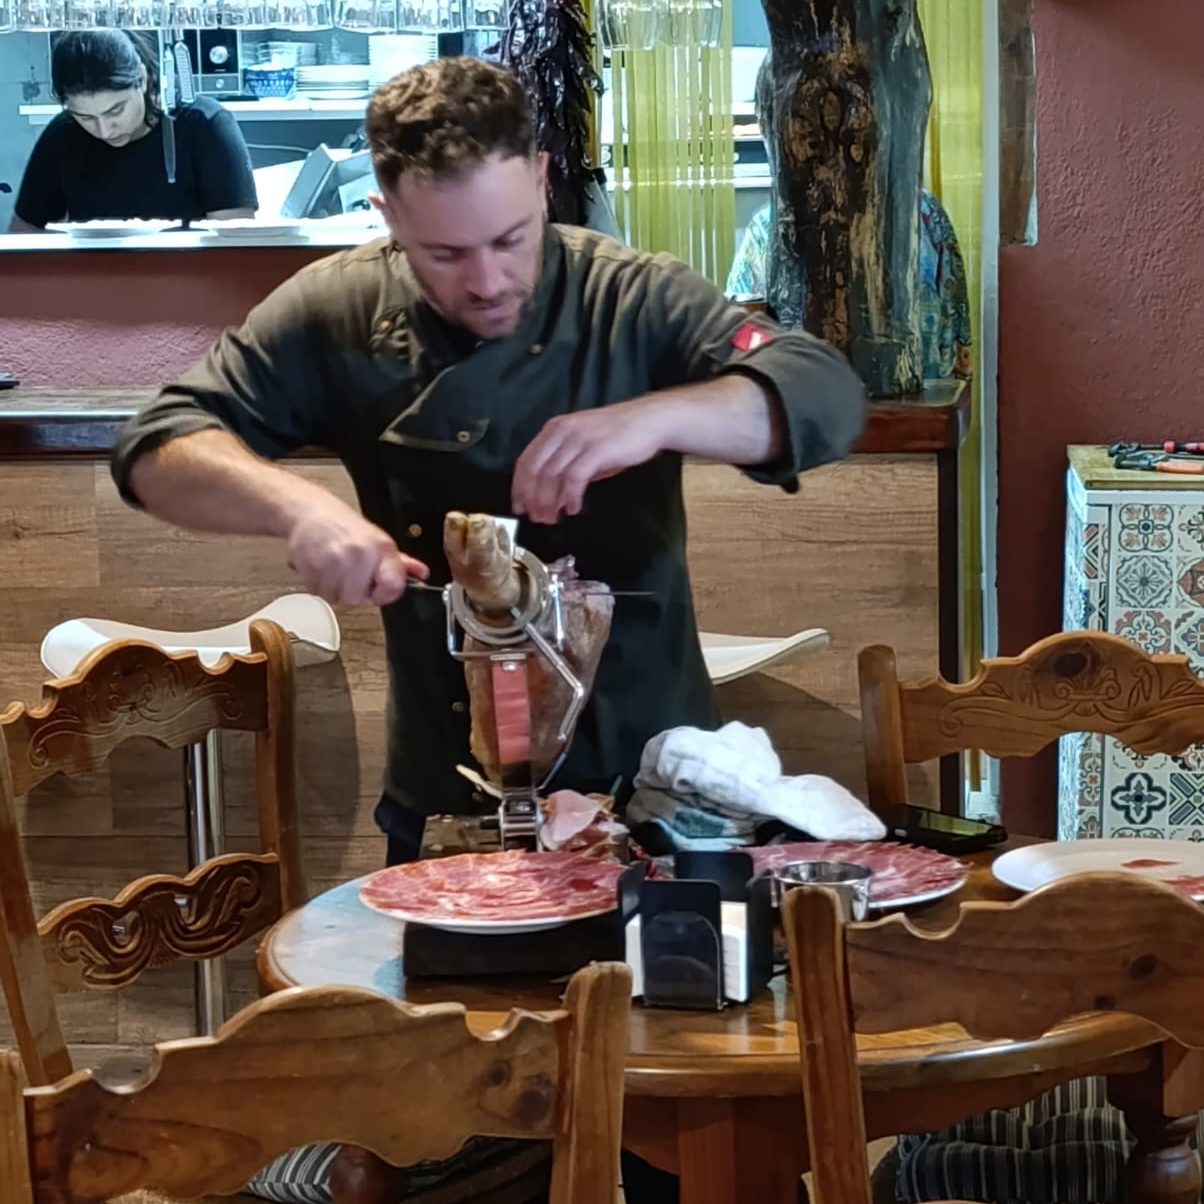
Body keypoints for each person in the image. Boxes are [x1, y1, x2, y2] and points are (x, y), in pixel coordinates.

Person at [110, 56, 865, 1203]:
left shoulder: (631, 297)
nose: (487, 279)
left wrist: (652, 418)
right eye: (445, 254)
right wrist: (300, 510)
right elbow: (160, 442)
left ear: (543, 180)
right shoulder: (336, 310)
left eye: (510, 240)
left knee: (682, 1136)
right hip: (451, 802)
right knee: (453, 1116)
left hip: (660, 800)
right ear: (386, 217)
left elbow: (820, 391)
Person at [11, 29, 257, 232]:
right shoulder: (63, 134)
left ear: (142, 78)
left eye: (115, 111)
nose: (104, 130)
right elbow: (24, 236)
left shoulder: (204, 125)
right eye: (85, 117)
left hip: (190, 274)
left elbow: (235, 245)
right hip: (93, 274)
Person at [726, 191, 973, 382]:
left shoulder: (771, 223)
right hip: (909, 402)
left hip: (808, 401)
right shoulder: (924, 212)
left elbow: (740, 334)